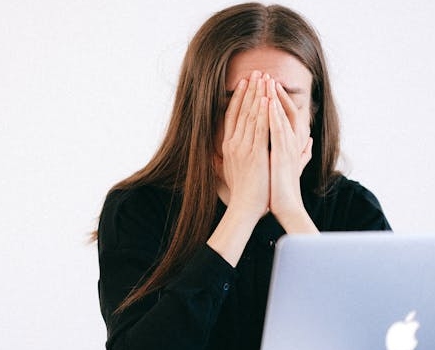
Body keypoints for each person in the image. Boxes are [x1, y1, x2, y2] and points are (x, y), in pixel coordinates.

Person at [94, 3, 391, 350]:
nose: (263, 119)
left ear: (313, 109)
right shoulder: (137, 208)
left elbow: (378, 338)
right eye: (240, 102)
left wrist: (290, 210)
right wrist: (242, 212)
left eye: (285, 100)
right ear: (203, 109)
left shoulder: (352, 208)